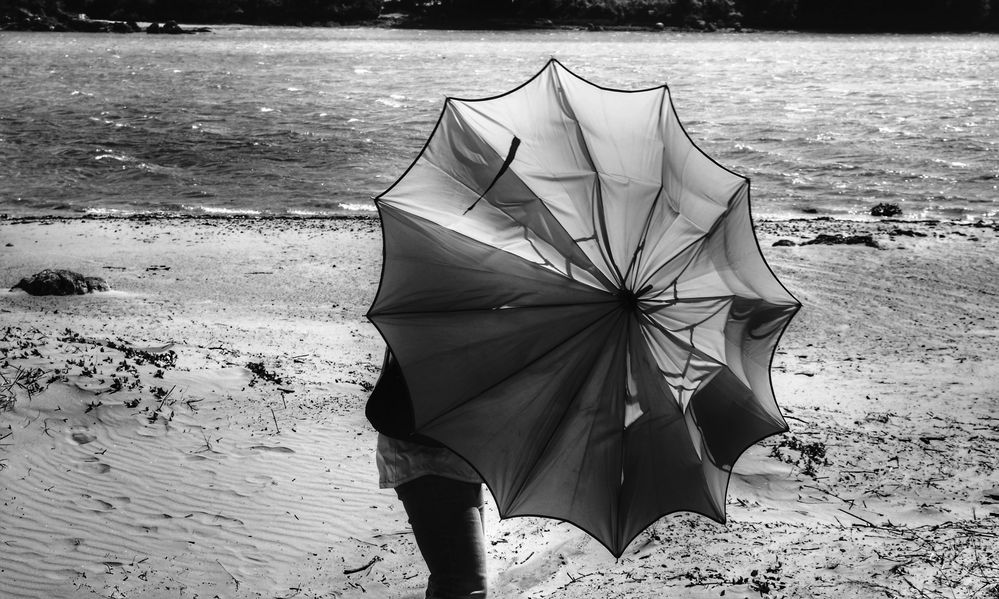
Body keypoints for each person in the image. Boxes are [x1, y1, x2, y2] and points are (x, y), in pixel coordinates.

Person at [372, 353, 488, 599]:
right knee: (463, 587)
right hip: (427, 458)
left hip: (462, 458)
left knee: (458, 582)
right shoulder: (449, 319)